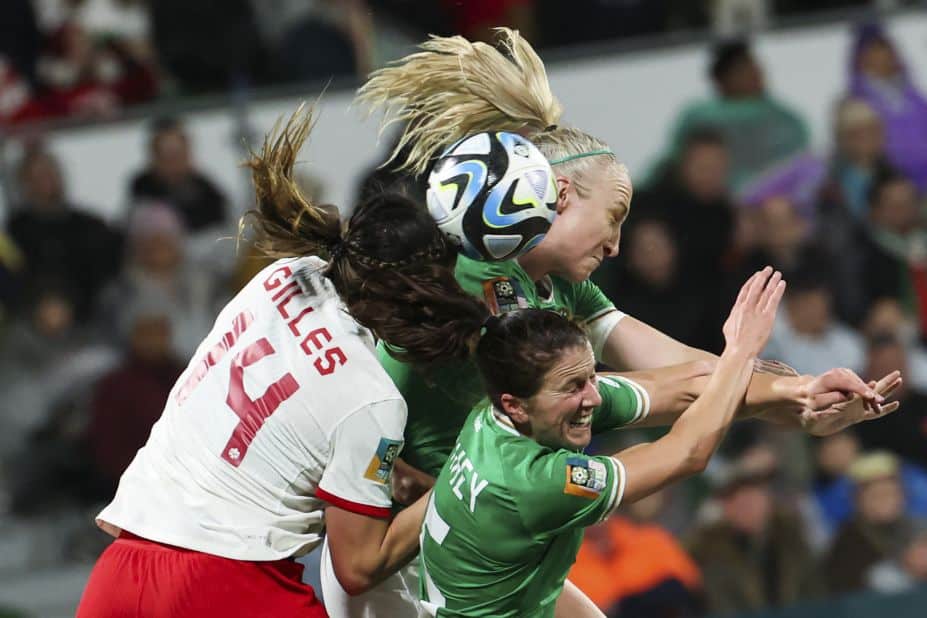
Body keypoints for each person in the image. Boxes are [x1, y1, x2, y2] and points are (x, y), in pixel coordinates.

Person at [332, 27, 895, 618]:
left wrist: (796, 391)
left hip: (495, 528)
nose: (618, 245)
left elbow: (677, 374)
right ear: (563, 193)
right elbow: (683, 440)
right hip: (443, 537)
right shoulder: (466, 277)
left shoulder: (555, 294)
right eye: (615, 216)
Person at [76, 105, 492, 617]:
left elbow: (297, 416)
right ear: (410, 291)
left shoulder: (281, 277)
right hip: (220, 583)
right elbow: (357, 566)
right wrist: (461, 482)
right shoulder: (373, 400)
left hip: (122, 569)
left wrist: (390, 472)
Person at [418, 272, 900, 616]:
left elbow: (686, 385)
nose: (592, 398)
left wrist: (801, 393)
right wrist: (740, 351)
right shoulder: (530, 484)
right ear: (516, 405)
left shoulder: (510, 410)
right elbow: (686, 452)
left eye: (592, 378)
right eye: (574, 388)